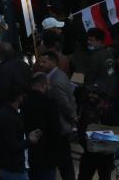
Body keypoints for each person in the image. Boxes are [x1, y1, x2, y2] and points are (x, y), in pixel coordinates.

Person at [37, 51, 76, 180]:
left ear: (53, 62)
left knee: (64, 162)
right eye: (40, 61)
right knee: (64, 161)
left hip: (60, 126)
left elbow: (65, 105)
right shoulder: (58, 75)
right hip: (61, 125)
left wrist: (72, 120)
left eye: (44, 62)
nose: (40, 64)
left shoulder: (55, 82)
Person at [0, 87, 41, 180]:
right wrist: (29, 140)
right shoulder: (11, 118)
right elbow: (13, 145)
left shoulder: (5, 112)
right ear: (19, 97)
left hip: (6, 165)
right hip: (13, 168)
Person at [21, 72, 61, 180]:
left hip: (28, 151)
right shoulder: (49, 103)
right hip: (46, 154)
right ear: (43, 85)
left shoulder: (24, 101)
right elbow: (56, 129)